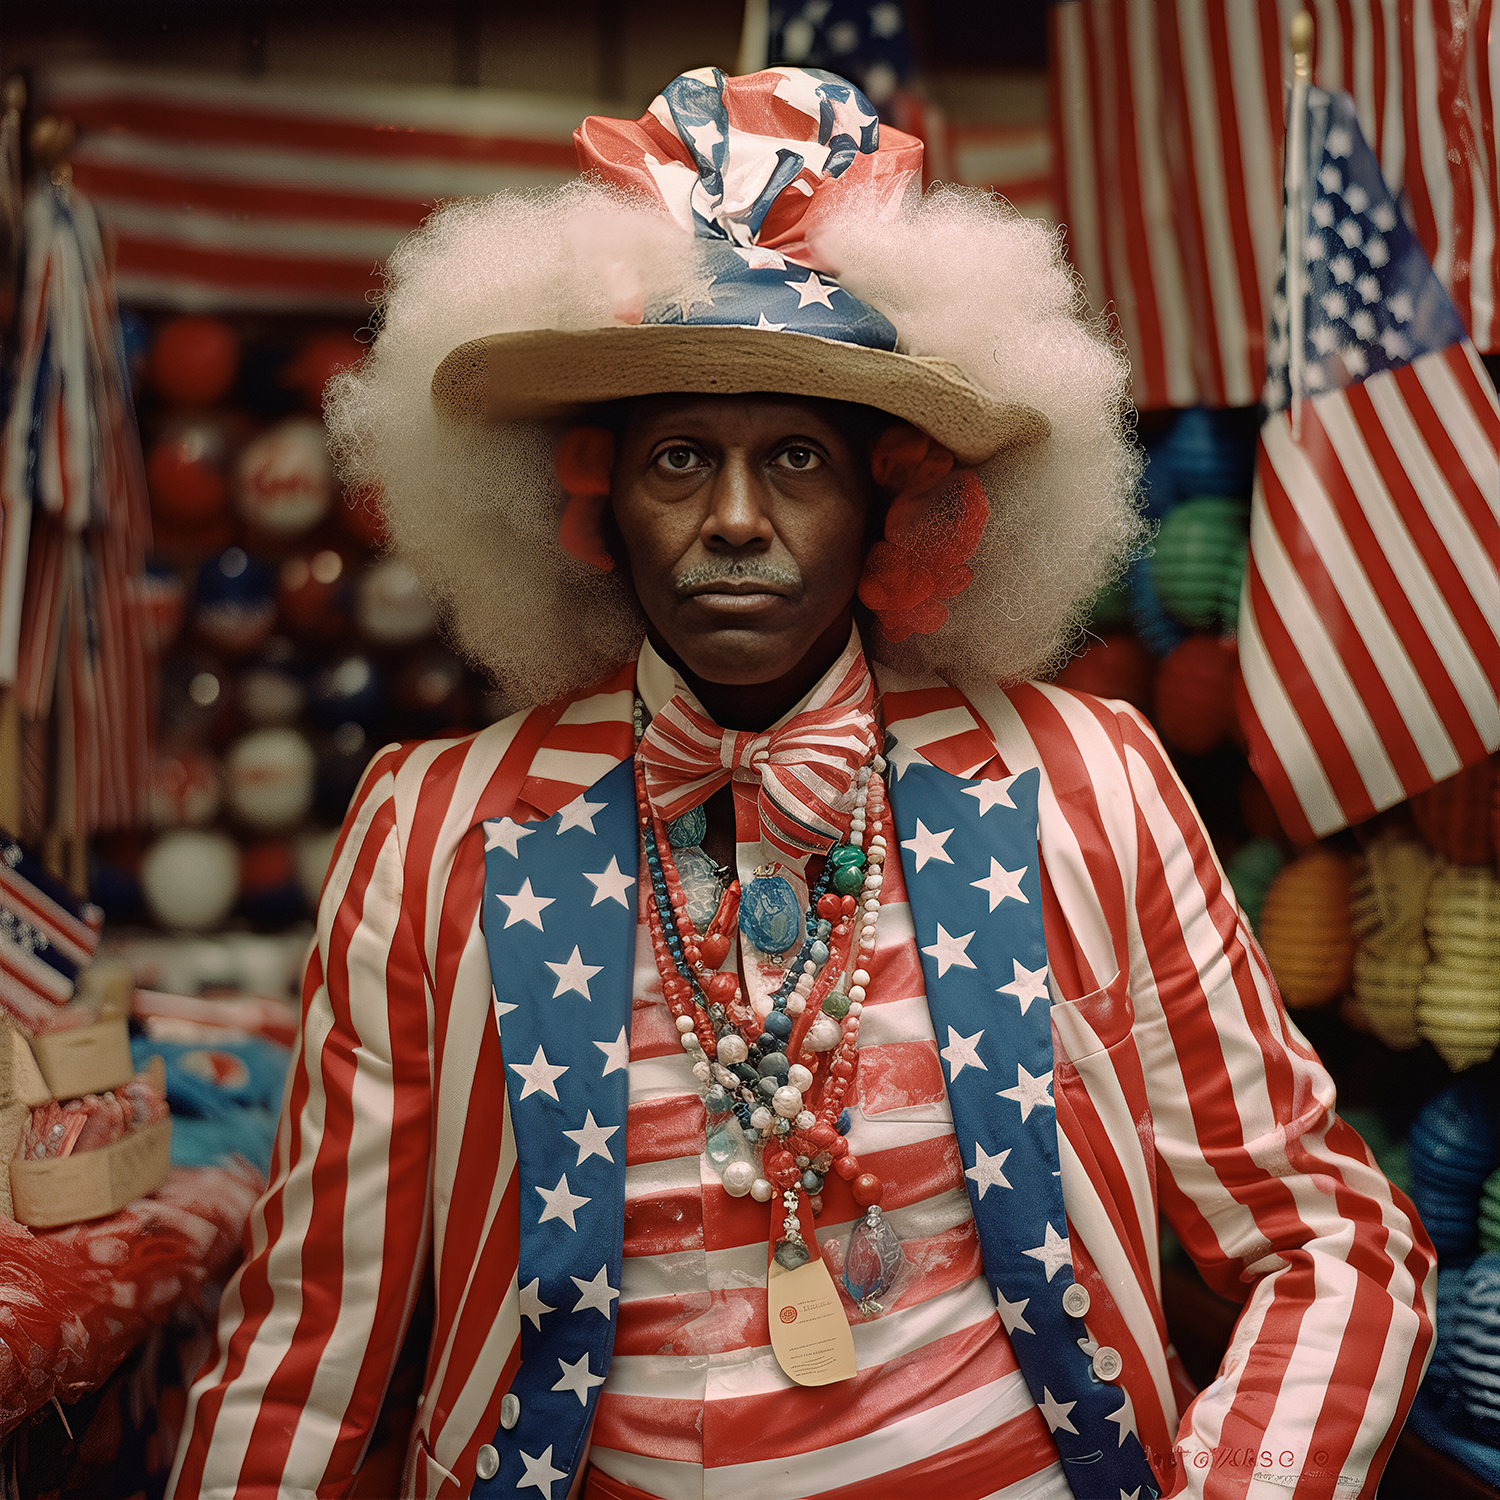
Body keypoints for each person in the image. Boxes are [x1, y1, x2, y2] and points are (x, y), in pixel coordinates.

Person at [168, 66, 1434, 1500]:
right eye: (678, 459)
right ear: (589, 501)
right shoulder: (434, 830)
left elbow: (1334, 1241)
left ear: (896, 501)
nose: (734, 519)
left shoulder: (1092, 781)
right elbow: (305, 1345)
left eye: (796, 458)